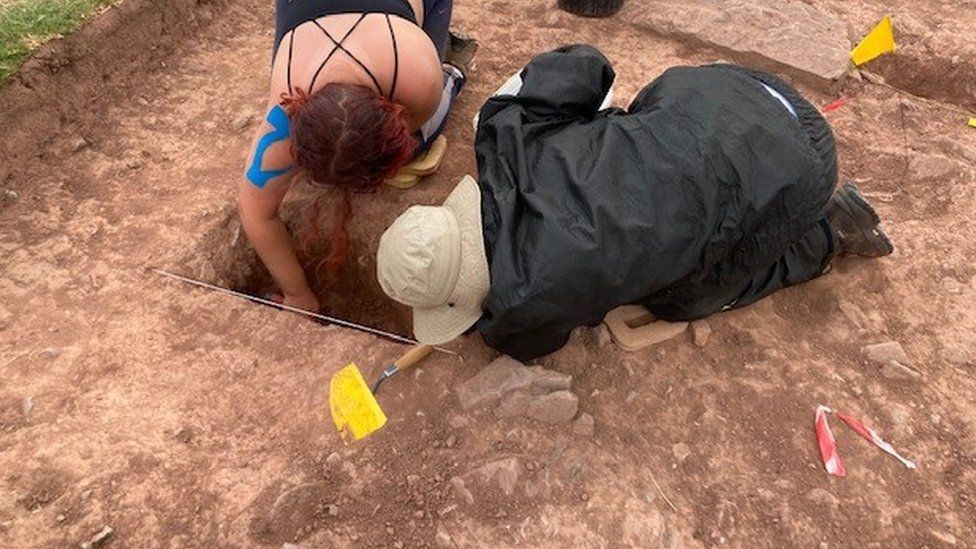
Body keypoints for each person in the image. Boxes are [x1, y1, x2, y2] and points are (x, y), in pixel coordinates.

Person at [374, 45, 893, 361]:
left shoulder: (527, 298)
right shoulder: (501, 138)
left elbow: (524, 341)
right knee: (646, 132)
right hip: (725, 85)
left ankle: (831, 230)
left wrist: (486, 320)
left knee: (685, 300)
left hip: (801, 161)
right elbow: (585, 64)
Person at [237, 0, 476, 312]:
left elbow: (403, 136)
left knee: (417, 145)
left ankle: (453, 69)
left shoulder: (417, 77)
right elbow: (255, 213)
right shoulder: (282, 119)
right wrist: (297, 293)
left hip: (398, 38)